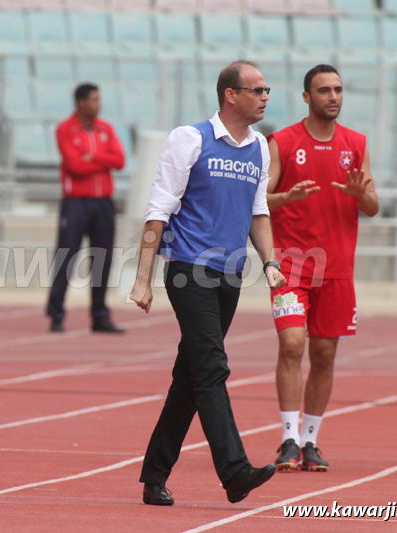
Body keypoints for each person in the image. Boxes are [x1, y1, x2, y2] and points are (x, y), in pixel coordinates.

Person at [129, 61, 285, 506]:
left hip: (230, 275)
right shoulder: (190, 139)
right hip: (189, 270)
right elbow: (158, 211)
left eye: (267, 90)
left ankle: (154, 475)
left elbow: (258, 212)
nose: (265, 97)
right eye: (257, 90)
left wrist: (269, 262)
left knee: (190, 377)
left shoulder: (259, 146)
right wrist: (143, 280)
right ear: (231, 95)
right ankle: (235, 471)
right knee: (213, 368)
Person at [267, 64, 379, 472]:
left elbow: (372, 207)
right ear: (306, 97)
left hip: (337, 268)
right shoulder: (281, 142)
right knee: (292, 344)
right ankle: (288, 438)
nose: (333, 97)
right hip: (291, 265)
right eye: (324, 90)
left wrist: (360, 194)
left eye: (338, 90)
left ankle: (310, 441)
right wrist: (286, 197)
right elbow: (259, 201)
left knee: (324, 352)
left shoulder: (356, 143)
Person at [45, 83, 126, 334]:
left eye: (99, 99)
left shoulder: (106, 129)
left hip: (104, 202)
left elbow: (119, 161)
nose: (98, 104)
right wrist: (101, 160)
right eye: (94, 99)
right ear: (81, 102)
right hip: (76, 203)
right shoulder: (65, 129)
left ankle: (100, 315)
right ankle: (56, 314)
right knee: (66, 257)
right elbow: (75, 166)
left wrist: (93, 157)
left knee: (102, 259)